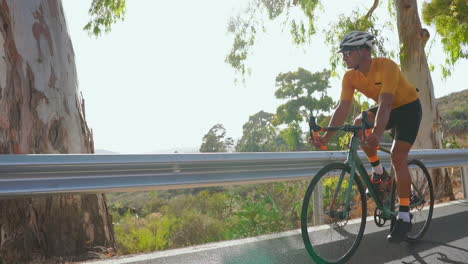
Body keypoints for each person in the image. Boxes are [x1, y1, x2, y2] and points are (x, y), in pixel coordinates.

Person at [311, 31, 422, 243]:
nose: (344, 56)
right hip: (384, 108)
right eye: (342, 53)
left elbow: (387, 102)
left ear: (363, 51)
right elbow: (343, 108)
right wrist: (325, 138)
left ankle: (405, 215)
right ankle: (378, 171)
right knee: (358, 124)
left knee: (398, 158)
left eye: (348, 52)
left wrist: (378, 134)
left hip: (408, 109)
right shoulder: (350, 76)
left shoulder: (386, 66)